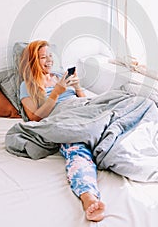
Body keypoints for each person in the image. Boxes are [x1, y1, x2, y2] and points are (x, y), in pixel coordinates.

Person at [19, 40, 105, 222]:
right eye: (43, 57)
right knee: (76, 148)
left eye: (50, 56)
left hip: (84, 109)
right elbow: (35, 117)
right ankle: (88, 196)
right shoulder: (27, 85)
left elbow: (84, 99)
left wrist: (78, 87)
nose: (49, 60)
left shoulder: (60, 75)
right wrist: (55, 94)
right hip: (64, 118)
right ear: (34, 61)